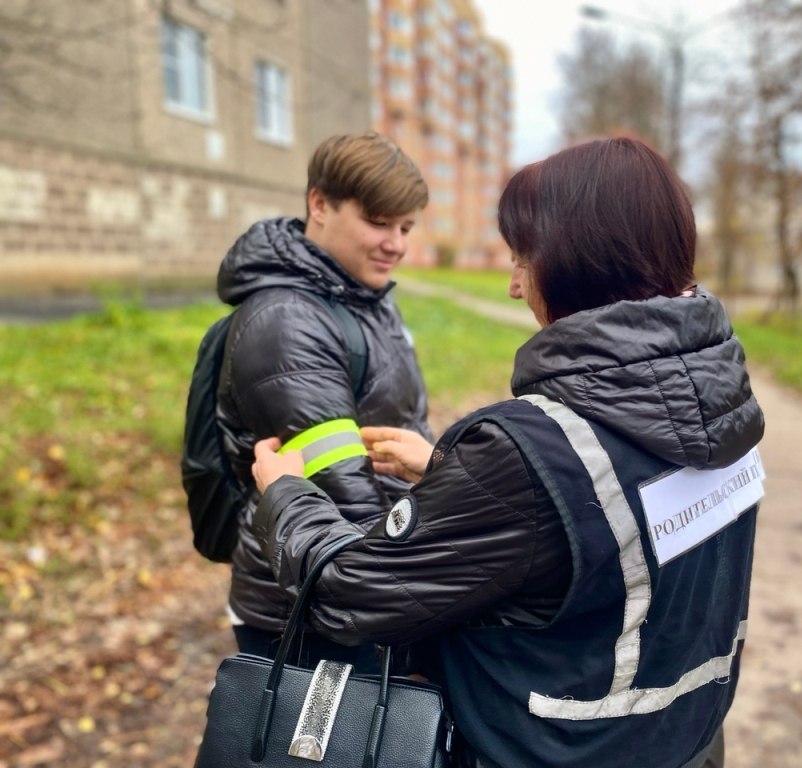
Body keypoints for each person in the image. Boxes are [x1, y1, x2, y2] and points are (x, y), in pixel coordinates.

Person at [251, 136, 765, 767]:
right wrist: (450, 470)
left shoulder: (530, 453)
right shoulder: (721, 400)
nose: (514, 285)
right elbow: (609, 526)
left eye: (524, 257)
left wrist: (284, 494)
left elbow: (351, 592)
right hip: (686, 742)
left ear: (580, 260)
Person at [215, 131, 433, 670]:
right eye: (378, 222)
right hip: (313, 607)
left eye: (405, 227)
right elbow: (342, 493)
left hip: (352, 584)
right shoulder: (287, 321)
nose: (396, 244)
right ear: (319, 204)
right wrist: (401, 597)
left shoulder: (363, 299)